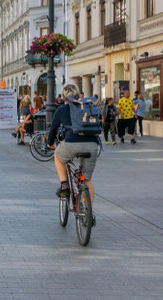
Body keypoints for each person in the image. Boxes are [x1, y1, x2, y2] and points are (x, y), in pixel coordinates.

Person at [47, 84, 100, 224]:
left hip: (71, 143)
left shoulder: (62, 109)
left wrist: (50, 143)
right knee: (87, 180)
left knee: (58, 157)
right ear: (78, 95)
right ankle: (88, 213)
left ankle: (64, 185)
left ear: (63, 97)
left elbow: (53, 128)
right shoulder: (88, 107)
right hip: (93, 145)